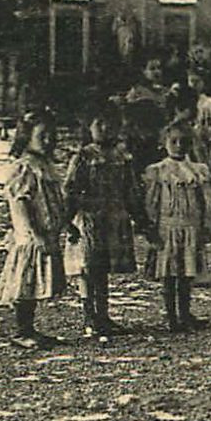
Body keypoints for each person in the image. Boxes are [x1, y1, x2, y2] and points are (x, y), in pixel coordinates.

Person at [64, 106, 144, 342]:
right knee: (89, 269)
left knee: (103, 270)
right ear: (89, 128)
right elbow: (70, 189)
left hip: (114, 218)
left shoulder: (122, 157)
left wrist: (140, 218)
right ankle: (89, 317)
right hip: (90, 218)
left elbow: (131, 190)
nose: (105, 129)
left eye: (110, 124)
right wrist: (67, 221)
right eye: (99, 124)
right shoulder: (84, 156)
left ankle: (104, 315)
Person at [0, 111, 68, 349]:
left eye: (52, 136)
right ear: (27, 137)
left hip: (47, 232)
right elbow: (21, 202)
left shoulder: (45, 165)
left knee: (35, 282)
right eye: (42, 136)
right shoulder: (25, 167)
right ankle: (21, 330)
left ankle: (30, 328)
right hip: (30, 236)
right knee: (25, 282)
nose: (49, 140)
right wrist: (32, 232)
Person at [143, 120, 211, 331]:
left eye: (184, 141)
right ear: (164, 142)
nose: (178, 145)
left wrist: (206, 225)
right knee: (169, 274)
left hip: (190, 226)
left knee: (186, 273)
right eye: (173, 141)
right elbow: (152, 201)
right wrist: (151, 227)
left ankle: (185, 313)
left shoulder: (197, 170)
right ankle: (171, 316)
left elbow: (207, 200)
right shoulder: (158, 171)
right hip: (167, 227)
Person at [120, 53, 170, 180]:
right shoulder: (137, 91)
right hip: (140, 137)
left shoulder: (166, 92)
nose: (156, 72)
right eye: (152, 69)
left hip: (160, 136)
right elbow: (129, 116)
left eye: (159, 68)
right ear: (144, 71)